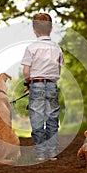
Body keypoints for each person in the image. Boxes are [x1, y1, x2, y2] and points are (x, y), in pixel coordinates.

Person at [21, 13, 64, 161]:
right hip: (52, 84)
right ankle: (52, 152)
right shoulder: (57, 48)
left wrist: (28, 83)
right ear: (51, 28)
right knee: (52, 117)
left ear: (34, 30)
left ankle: (40, 153)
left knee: (37, 117)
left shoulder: (31, 48)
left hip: (36, 84)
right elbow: (59, 69)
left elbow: (26, 71)